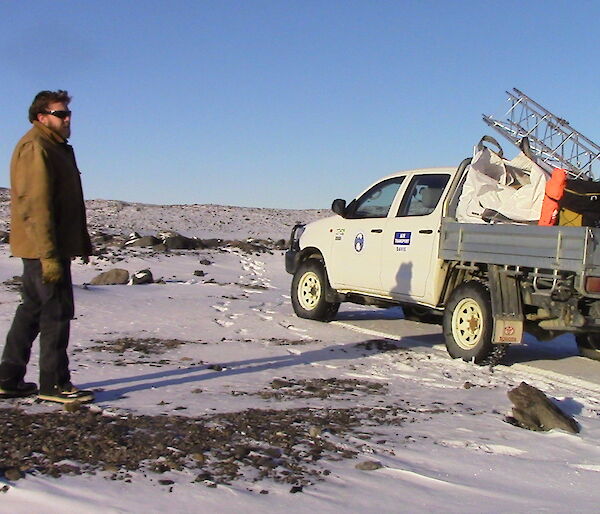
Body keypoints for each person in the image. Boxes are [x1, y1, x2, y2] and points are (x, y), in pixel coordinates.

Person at [0, 90, 94, 403]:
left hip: (47, 246)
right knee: (56, 311)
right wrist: (49, 253)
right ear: (42, 117)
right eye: (60, 114)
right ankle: (54, 384)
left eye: (68, 114)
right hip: (44, 248)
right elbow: (35, 205)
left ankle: (8, 380)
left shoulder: (53, 147)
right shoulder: (36, 147)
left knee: (33, 309)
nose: (67, 119)